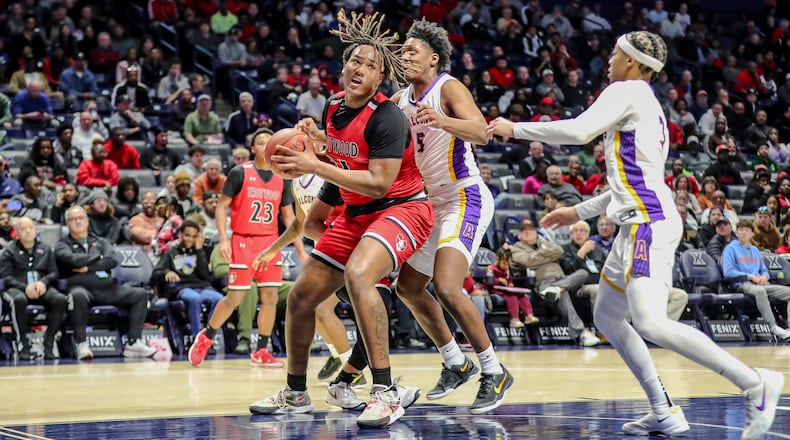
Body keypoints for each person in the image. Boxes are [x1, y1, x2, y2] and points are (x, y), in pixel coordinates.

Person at [487, 30, 784, 439]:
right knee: (608, 317)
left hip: (647, 222)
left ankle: (754, 384)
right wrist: (579, 210)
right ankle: (663, 410)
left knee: (650, 322)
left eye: (614, 53)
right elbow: (629, 184)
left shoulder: (627, 89)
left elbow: (577, 131)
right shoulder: (646, 103)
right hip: (636, 221)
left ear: (631, 60)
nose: (608, 60)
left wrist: (514, 128)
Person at [248, 11, 434, 429]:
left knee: (359, 274)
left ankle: (385, 392)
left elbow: (378, 182)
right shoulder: (333, 107)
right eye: (355, 61)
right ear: (343, 66)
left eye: (371, 65)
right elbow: (342, 154)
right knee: (300, 297)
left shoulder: (388, 117)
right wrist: (315, 143)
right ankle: (296, 393)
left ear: (380, 77)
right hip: (356, 210)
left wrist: (313, 160)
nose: (360, 69)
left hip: (400, 207)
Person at [392, 18, 514, 412]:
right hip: (431, 204)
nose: (405, 56)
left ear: (434, 58)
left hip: (466, 196)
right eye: (403, 50)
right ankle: (455, 362)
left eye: (413, 51)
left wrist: (442, 120)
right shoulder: (398, 100)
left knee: (446, 286)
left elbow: (481, 131)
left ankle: (494, 371)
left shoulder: (448, 86)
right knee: (408, 288)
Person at [187, 128, 299, 369]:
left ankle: (261, 350)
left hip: (270, 243)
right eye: (260, 142)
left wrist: (300, 250)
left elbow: (290, 219)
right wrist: (224, 239)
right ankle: (206, 336)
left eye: (270, 141)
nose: (265, 145)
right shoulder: (240, 173)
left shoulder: (283, 177)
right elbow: (221, 207)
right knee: (236, 296)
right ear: (253, 148)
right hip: (243, 240)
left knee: (269, 297)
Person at [55, 206, 157, 360]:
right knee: (76, 295)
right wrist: (99, 259)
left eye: (81, 218)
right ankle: (81, 344)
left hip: (108, 289)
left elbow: (112, 260)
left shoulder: (100, 241)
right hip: (83, 289)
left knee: (140, 294)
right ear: (67, 224)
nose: (77, 221)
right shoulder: (62, 244)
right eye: (72, 219)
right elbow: (71, 260)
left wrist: (87, 266)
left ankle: (133, 343)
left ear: (87, 221)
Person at [0, 218, 68, 360]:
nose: (28, 231)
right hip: (16, 287)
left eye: (30, 227)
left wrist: (44, 282)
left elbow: (54, 273)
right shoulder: (9, 252)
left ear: (36, 229)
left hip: (41, 287)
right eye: (23, 229)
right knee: (18, 300)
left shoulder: (46, 249)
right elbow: (6, 278)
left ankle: (49, 341)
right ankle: (23, 344)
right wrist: (25, 288)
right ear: (17, 233)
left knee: (60, 299)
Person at [151, 219, 223, 340]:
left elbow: (205, 275)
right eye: (187, 235)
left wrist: (199, 250)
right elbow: (155, 273)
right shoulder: (171, 253)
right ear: (180, 235)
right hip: (183, 288)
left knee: (220, 299)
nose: (190, 239)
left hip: (202, 287)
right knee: (194, 298)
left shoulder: (200, 251)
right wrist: (167, 272)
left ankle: (208, 338)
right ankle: (196, 338)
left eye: (194, 236)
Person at [722, 219, 790, 341]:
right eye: (741, 230)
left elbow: (764, 270)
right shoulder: (730, 249)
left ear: (752, 234)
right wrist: (749, 276)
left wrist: (764, 277)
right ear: (736, 233)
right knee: (760, 291)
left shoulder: (755, 250)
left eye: (747, 230)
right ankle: (773, 327)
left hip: (759, 284)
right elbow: (728, 272)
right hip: (741, 284)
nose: (743, 233)